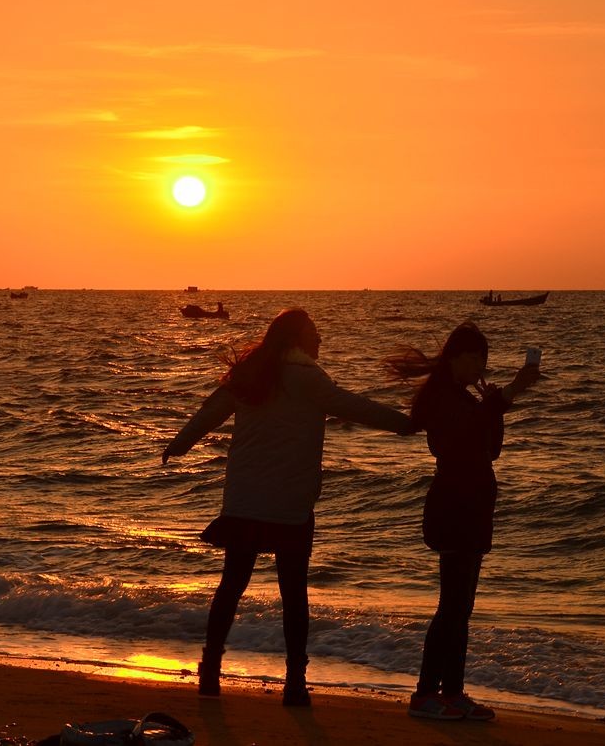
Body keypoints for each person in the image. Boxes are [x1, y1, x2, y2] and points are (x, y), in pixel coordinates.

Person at [162, 308, 412, 706]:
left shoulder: (253, 373)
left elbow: (210, 411)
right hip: (289, 506)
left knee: (233, 584)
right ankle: (295, 683)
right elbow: (355, 407)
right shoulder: (307, 378)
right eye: (315, 332)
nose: (320, 340)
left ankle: (210, 672)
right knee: (293, 592)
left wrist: (178, 444)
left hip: (245, 500)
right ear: (297, 338)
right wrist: (405, 424)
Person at [385, 322, 540, 721]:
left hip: (474, 506)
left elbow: (490, 450)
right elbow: (461, 434)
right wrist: (506, 396)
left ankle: (452, 692)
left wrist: (495, 407)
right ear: (453, 358)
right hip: (453, 506)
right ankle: (425, 694)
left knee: (462, 607)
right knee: (451, 606)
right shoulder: (441, 397)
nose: (478, 365)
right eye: (472, 357)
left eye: (482, 359)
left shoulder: (467, 398)